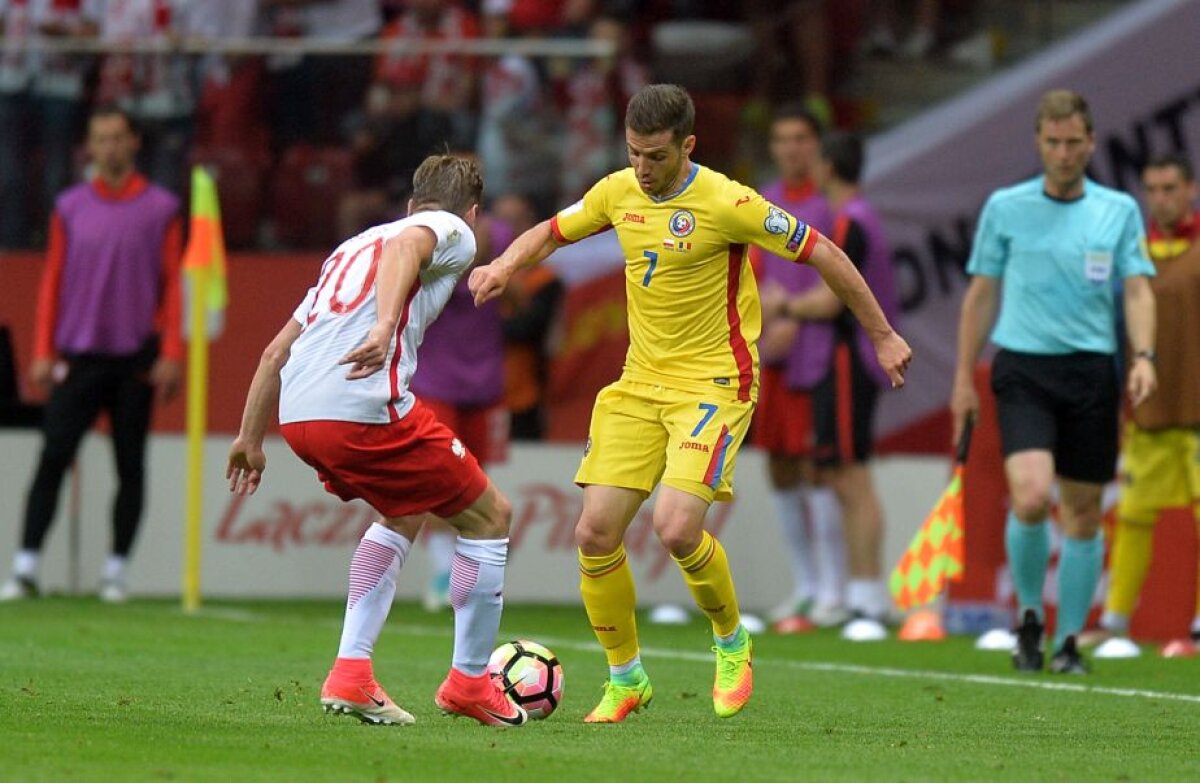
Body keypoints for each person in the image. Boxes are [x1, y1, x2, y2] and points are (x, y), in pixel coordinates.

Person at [470, 83, 911, 723]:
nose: (642, 170)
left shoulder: (729, 201)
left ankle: (732, 642)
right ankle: (626, 679)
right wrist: (505, 265)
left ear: (688, 145)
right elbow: (550, 232)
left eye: (655, 156)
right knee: (594, 533)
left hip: (713, 382)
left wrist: (882, 334)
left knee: (676, 527)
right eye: (633, 154)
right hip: (638, 383)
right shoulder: (617, 190)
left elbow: (826, 253)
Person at [226, 154, 527, 728]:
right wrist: (385, 324)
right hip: (361, 405)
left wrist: (249, 436)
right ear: (470, 210)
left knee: (404, 510)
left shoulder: (349, 249)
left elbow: (274, 352)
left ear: (412, 201)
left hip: (299, 415)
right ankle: (469, 681)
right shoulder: (452, 230)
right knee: (491, 516)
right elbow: (406, 250)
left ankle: (351, 674)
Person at [950, 90, 1157, 675]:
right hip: (1025, 368)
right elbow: (981, 293)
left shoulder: (1117, 210)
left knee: (1085, 513)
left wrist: (1145, 356)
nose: (1064, 153)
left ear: (1090, 143)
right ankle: (1029, 621)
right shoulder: (1006, 208)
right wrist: (964, 378)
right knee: (1033, 495)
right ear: (1039, 143)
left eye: (1073, 143)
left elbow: (1138, 287)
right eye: (1053, 142)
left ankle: (1068, 641)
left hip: (1093, 370)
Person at [0, 106, 183, 603]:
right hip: (78, 355)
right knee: (52, 458)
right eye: (101, 139)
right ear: (90, 147)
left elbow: (174, 287)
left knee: (130, 466)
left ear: (133, 144)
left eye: (118, 137)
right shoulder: (69, 207)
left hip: (136, 358)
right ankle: (25, 566)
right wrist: (42, 350)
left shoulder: (161, 208)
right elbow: (52, 283)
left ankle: (115, 571)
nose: (111, 147)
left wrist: (171, 350)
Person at [770, 131, 902, 637]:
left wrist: (784, 305)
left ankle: (868, 596)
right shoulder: (861, 218)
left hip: (849, 356)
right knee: (841, 475)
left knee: (850, 477)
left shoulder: (850, 221)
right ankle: (857, 592)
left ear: (826, 166)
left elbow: (831, 301)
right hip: (847, 357)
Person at [748, 104, 844, 632]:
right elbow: (749, 277)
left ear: (817, 146)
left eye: (802, 139)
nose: (793, 149)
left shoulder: (831, 209)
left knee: (818, 467)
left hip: (817, 354)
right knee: (781, 464)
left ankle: (835, 587)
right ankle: (805, 586)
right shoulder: (761, 203)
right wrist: (764, 321)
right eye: (783, 139)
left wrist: (792, 314)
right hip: (772, 354)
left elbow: (841, 282)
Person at [1101, 153, 1200, 646]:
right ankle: (1115, 625)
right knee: (1133, 515)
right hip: (1150, 411)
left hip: (1198, 411)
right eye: (1153, 189)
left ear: (1191, 189)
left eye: (1170, 188)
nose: (1161, 199)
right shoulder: (1132, 254)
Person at [410, 207, 512, 612]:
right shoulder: (430, 237)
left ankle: (464, 577)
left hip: (485, 382)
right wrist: (470, 260)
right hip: (434, 382)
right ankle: (442, 578)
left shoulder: (500, 234)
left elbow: (516, 299)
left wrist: (499, 268)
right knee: (441, 480)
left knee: (477, 483)